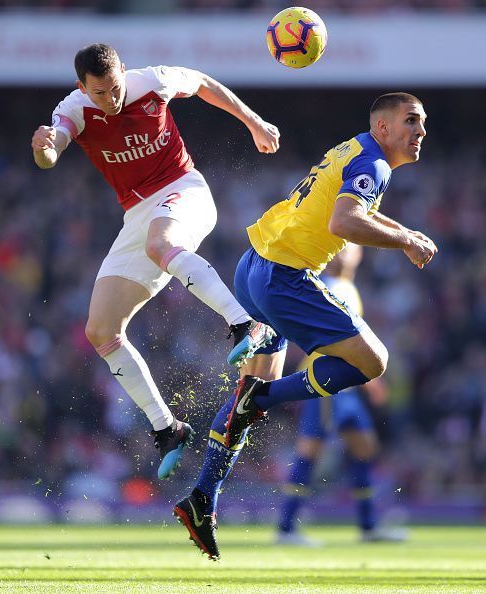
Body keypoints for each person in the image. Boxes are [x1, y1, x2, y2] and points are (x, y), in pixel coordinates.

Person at [173, 92, 437, 560]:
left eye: (422, 123)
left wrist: (408, 233)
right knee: (373, 361)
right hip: (284, 277)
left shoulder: (355, 149)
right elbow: (345, 221)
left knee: (246, 396)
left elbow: (354, 211)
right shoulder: (374, 165)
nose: (420, 131)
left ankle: (202, 498)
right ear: (383, 128)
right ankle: (266, 399)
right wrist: (404, 243)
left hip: (253, 265)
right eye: (411, 121)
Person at [31, 43, 278, 480]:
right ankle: (168, 428)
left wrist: (254, 122)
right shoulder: (73, 109)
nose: (110, 99)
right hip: (138, 215)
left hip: (184, 190)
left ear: (124, 72)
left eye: (114, 87)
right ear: (81, 88)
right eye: (99, 93)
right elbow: (52, 153)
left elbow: (202, 82)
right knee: (101, 329)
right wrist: (44, 149)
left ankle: (247, 325)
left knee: (160, 245)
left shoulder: (153, 81)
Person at [275, 244, 406, 546]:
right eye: (341, 248)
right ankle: (286, 528)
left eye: (351, 247)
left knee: (364, 448)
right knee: (310, 451)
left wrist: (369, 381)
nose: (345, 252)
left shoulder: (349, 287)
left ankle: (368, 526)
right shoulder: (325, 286)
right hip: (325, 383)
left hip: (345, 388)